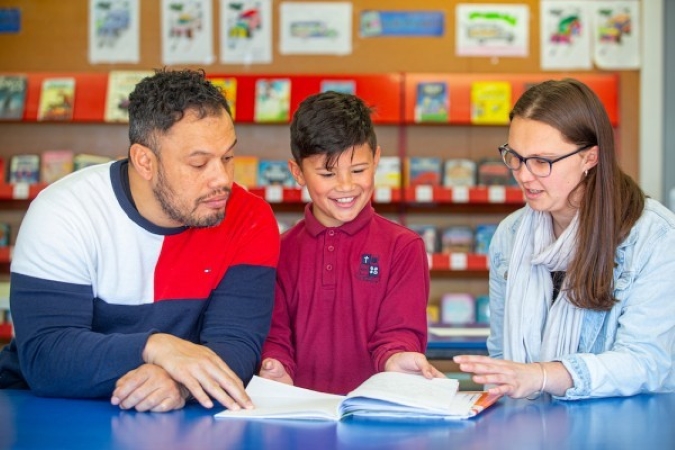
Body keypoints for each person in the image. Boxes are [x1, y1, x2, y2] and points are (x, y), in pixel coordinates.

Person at [0, 69, 280, 412]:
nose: (221, 178)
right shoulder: (63, 212)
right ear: (144, 161)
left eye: (227, 157)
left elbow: (237, 344)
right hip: (46, 411)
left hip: (179, 419)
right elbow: (46, 357)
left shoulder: (249, 218)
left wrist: (179, 382)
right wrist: (155, 347)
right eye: (198, 163)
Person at [454, 78, 675, 400]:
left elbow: (645, 362)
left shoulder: (655, 238)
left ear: (590, 158)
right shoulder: (510, 236)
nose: (524, 175)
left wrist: (542, 375)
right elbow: (503, 355)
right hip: (530, 423)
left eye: (542, 161)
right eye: (514, 156)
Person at [258, 91, 443, 394]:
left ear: (377, 160)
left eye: (358, 170)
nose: (346, 186)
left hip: (378, 416)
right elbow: (276, 336)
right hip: (299, 419)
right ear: (297, 172)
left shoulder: (404, 247)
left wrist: (397, 357)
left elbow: (399, 332)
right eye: (327, 173)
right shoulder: (278, 251)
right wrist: (274, 363)